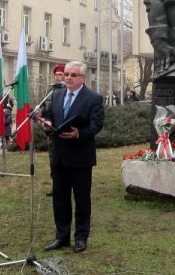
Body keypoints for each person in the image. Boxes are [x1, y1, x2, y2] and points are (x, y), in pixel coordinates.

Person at [43, 61, 104, 254]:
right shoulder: (58, 94)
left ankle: (80, 238)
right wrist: (48, 123)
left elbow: (97, 125)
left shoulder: (93, 98)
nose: (68, 77)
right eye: (67, 74)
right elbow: (50, 114)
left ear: (83, 78)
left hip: (80, 158)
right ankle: (62, 237)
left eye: (73, 75)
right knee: (60, 199)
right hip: (59, 156)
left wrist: (80, 134)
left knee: (82, 199)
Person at [44, 64, 66, 196]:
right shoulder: (50, 90)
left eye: (60, 75)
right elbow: (46, 108)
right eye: (56, 75)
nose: (57, 77)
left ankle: (66, 185)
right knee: (53, 160)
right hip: (51, 131)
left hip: (63, 129)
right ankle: (55, 185)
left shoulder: (67, 90)